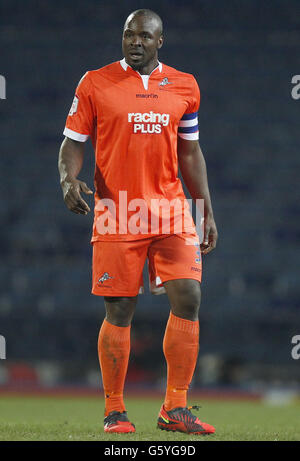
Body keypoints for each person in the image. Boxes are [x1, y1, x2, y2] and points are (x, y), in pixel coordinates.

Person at [58, 8, 218, 435]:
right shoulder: (95, 82)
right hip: (117, 209)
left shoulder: (185, 85)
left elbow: (190, 153)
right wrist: (67, 179)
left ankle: (175, 408)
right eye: (129, 35)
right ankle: (115, 409)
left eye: (144, 36)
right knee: (121, 307)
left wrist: (204, 210)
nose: (135, 42)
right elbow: (73, 142)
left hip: (171, 208)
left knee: (189, 297)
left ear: (159, 41)